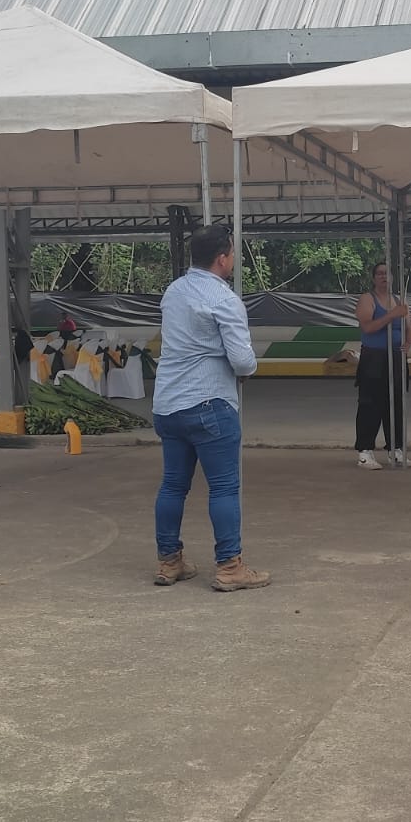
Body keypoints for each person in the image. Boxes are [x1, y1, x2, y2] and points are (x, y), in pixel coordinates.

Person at [151, 225, 268, 592]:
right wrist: (246, 370)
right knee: (224, 488)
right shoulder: (224, 299)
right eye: (232, 253)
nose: (233, 259)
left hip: (168, 403)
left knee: (173, 485)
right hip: (209, 402)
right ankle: (230, 566)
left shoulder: (173, 292)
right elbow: (243, 360)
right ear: (222, 259)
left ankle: (169, 561)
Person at [353, 261, 411, 469]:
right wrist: (391, 315)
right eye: (379, 273)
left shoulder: (400, 301)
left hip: (396, 357)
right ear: (373, 278)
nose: (383, 277)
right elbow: (368, 327)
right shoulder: (367, 299)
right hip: (374, 357)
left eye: (387, 273)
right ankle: (365, 451)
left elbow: (409, 326)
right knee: (370, 404)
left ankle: (395, 449)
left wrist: (408, 342)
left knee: (396, 403)